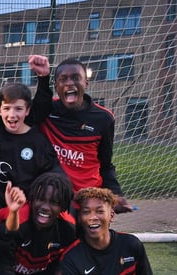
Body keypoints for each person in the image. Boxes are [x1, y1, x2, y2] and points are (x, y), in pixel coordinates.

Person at [29, 55, 133, 213]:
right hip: (55, 198)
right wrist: (43, 77)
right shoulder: (47, 111)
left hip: (89, 198)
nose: (70, 83)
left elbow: (105, 164)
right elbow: (28, 115)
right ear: (56, 87)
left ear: (86, 83)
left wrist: (115, 194)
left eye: (76, 77)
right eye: (63, 79)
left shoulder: (103, 118)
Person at [0, 82, 64, 218]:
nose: (12, 114)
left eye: (18, 109)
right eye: (7, 108)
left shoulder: (38, 142)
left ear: (27, 110)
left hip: (22, 214)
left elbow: (54, 175)